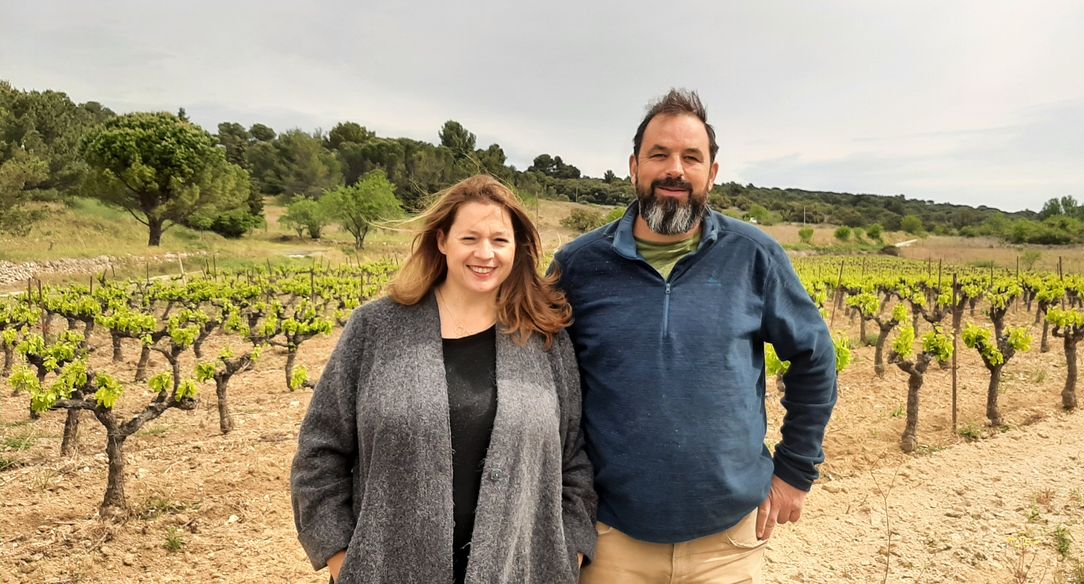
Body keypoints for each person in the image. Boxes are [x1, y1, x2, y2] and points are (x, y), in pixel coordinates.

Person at [552, 89, 838, 582]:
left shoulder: (754, 255)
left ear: (713, 172)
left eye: (691, 157)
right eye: (659, 154)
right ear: (633, 166)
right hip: (612, 539)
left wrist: (794, 472)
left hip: (727, 542)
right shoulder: (578, 266)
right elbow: (542, 384)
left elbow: (814, 357)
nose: (674, 170)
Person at [291, 174, 597, 584]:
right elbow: (319, 452)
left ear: (517, 248)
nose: (485, 253)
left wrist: (568, 551)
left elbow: (573, 458)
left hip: (520, 570)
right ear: (442, 241)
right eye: (469, 238)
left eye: (499, 240)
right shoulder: (377, 328)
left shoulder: (544, 338)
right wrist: (342, 558)